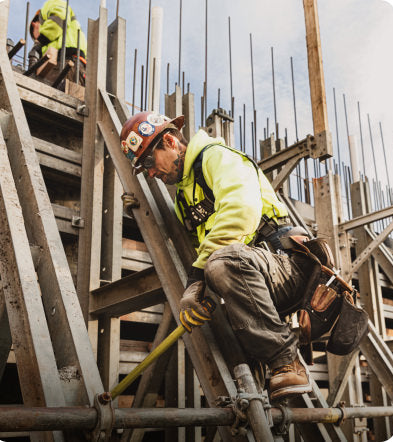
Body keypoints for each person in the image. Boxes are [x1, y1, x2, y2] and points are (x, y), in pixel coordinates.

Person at [120, 111, 313, 401]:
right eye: (143, 169)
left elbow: (241, 211)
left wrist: (196, 279)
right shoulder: (185, 198)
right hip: (256, 279)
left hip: (286, 265)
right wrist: (137, 206)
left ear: (170, 141)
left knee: (223, 264)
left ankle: (287, 360)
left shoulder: (217, 157)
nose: (150, 173)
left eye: (148, 161)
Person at [28, 0, 87, 88]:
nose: (36, 40)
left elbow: (59, 18)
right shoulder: (72, 33)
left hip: (62, 63)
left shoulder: (49, 6)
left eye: (35, 36)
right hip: (78, 66)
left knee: (49, 97)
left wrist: (40, 41)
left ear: (35, 24)